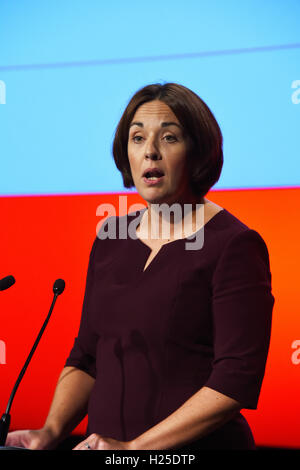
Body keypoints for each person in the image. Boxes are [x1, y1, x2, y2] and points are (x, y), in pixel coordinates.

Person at [5, 83, 275, 450]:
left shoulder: (234, 245)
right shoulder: (111, 238)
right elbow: (87, 357)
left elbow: (235, 379)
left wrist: (135, 450)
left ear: (199, 151)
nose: (150, 152)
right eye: (137, 138)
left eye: (169, 137)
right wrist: (51, 431)